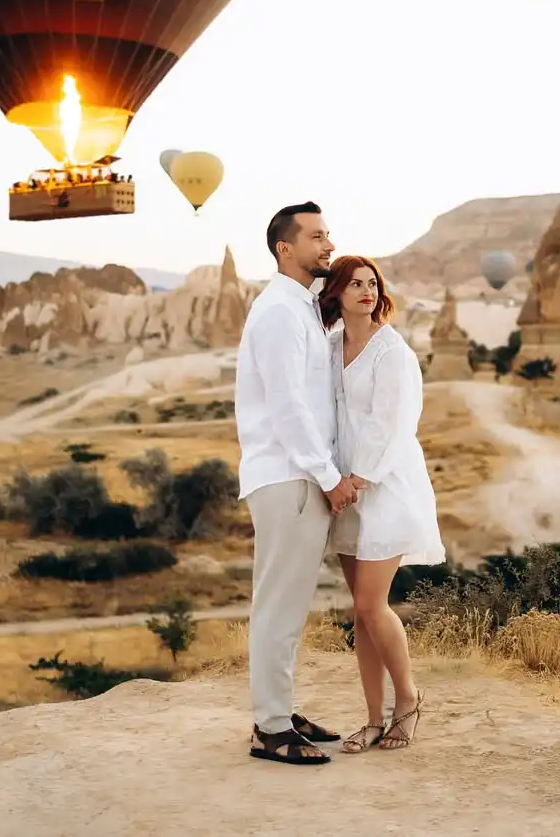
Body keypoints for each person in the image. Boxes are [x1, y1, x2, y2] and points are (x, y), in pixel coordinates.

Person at [235, 202, 363, 766]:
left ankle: (280, 712)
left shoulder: (301, 310)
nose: (327, 245)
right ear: (285, 248)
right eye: (316, 237)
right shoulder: (280, 314)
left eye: (328, 234)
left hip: (297, 476)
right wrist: (331, 477)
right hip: (289, 476)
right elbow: (289, 409)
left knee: (289, 605)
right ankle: (270, 727)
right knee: (278, 606)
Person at [318, 255, 445, 754]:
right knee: (361, 614)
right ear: (337, 293)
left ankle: (408, 701)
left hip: (383, 485)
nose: (367, 292)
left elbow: (393, 424)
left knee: (373, 604)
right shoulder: (329, 348)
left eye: (372, 284)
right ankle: (372, 719)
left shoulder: (392, 352)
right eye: (355, 284)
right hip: (344, 488)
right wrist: (333, 478)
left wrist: (360, 477)